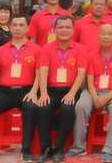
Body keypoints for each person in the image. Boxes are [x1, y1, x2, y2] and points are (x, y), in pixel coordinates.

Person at [0, 15, 40, 163]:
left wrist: (33, 91)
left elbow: (39, 74)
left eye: (21, 25)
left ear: (27, 28)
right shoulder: (1, 50)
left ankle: (26, 150)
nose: (17, 28)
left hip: (27, 91)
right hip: (5, 92)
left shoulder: (36, 49)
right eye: (14, 25)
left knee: (31, 108)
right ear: (9, 28)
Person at [68, 23, 112, 162]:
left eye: (109, 34)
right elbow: (89, 79)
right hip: (92, 90)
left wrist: (106, 97)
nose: (106, 36)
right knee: (81, 106)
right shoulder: (91, 54)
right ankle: (78, 147)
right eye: (103, 34)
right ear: (98, 36)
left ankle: (108, 150)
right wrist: (95, 96)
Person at [37, 15, 87, 162]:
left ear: (73, 30)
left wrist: (72, 93)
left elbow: (81, 73)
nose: (64, 30)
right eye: (60, 27)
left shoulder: (80, 49)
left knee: (68, 108)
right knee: (43, 106)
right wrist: (44, 93)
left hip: (71, 89)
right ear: (54, 29)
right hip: (51, 89)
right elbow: (43, 71)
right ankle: (46, 148)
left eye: (67, 27)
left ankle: (59, 148)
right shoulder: (47, 48)